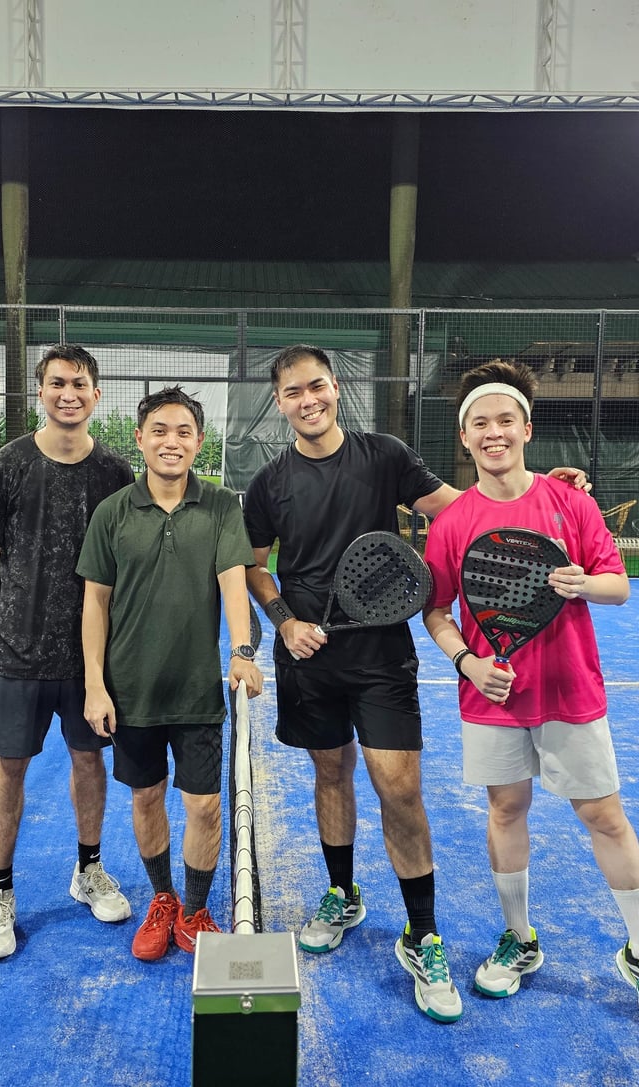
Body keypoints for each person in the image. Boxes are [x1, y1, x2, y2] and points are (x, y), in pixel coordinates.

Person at [243, 343, 590, 1024]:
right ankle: (343, 894)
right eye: (293, 392)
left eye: (317, 386)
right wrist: (284, 622)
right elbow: (256, 567)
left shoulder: (384, 456)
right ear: (279, 401)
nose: (308, 400)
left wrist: (538, 490)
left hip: (381, 655)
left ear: (335, 388)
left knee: (399, 788)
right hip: (309, 657)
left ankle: (422, 934)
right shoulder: (268, 483)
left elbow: (467, 509)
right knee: (331, 774)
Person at [422, 358, 639, 1006]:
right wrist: (468, 662)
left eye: (505, 420)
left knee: (603, 815)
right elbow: (436, 611)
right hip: (492, 697)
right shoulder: (451, 522)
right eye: (481, 423)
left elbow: (618, 585)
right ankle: (519, 937)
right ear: (465, 437)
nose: (494, 432)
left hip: (570, 691)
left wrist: (585, 583)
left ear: (527, 428)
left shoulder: (571, 501)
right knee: (506, 809)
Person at [77, 385, 263, 963]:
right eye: (159, 430)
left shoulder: (221, 507)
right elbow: (95, 603)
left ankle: (195, 908)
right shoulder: (112, 512)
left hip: (197, 692)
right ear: (139, 439)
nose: (171, 441)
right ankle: (162, 899)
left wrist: (242, 651)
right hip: (130, 691)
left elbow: (234, 583)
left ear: (199, 442)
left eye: (184, 431)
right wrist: (94, 685)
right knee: (146, 797)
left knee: (204, 806)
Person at [0, 344, 135, 960]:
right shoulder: (5, 466)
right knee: (9, 767)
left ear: (96, 395)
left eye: (80, 383)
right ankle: (0, 891)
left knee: (89, 761)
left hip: (91, 659)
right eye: (58, 383)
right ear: (40, 392)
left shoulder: (116, 472)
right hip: (15, 655)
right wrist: (24, 613)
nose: (70, 394)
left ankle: (88, 869)